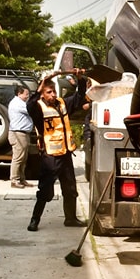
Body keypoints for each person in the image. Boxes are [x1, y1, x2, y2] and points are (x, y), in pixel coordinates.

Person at [25, 74, 87, 231]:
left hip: (65, 154)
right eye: (48, 92)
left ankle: (71, 219)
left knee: (70, 189)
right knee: (45, 190)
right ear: (42, 94)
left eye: (53, 91)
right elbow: (30, 105)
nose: (53, 95)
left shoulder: (62, 103)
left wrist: (80, 80)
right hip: (50, 156)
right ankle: (34, 220)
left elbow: (79, 97)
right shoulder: (38, 107)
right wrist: (39, 89)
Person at [7, 85, 34, 188]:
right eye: (26, 94)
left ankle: (22, 179)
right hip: (18, 132)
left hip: (23, 132)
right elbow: (30, 110)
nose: (28, 96)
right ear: (19, 94)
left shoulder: (21, 103)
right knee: (18, 157)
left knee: (23, 158)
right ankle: (14, 180)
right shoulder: (17, 103)